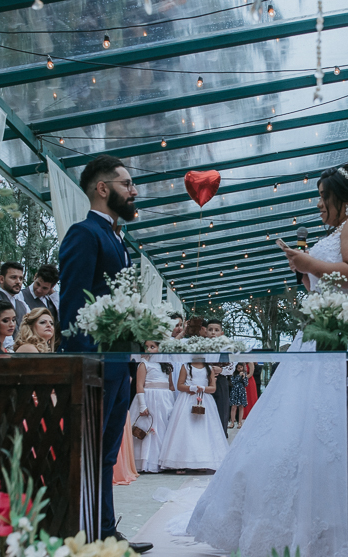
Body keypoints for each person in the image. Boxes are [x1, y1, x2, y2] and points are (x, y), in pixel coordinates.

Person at [187, 162, 348, 557]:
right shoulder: (346, 229)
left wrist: (306, 262)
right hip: (325, 337)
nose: (318, 205)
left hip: (346, 343)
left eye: (321, 197)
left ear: (340, 198)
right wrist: (306, 269)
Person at [57, 155, 150, 553]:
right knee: (90, 450)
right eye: (127, 183)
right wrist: (87, 364)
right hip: (95, 365)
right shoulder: (84, 234)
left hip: (120, 363)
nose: (133, 191)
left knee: (107, 452)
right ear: (103, 188)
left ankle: (105, 531)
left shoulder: (119, 238)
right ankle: (83, 534)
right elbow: (73, 306)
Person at [158, 358, 230, 471]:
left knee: (203, 431)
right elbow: (179, 385)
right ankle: (180, 462)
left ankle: (201, 461)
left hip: (204, 399)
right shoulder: (186, 367)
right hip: (187, 399)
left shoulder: (209, 368)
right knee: (185, 430)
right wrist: (191, 387)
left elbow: (213, 388)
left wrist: (203, 388)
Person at [127, 341, 177, 473]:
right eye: (146, 347)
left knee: (163, 429)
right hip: (149, 398)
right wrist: (142, 405)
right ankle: (146, 462)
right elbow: (139, 385)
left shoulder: (167, 366)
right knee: (148, 429)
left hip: (164, 400)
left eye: (152, 347)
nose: (148, 350)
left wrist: (172, 401)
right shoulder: (144, 364)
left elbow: (171, 385)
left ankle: (163, 461)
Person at [206, 319, 232, 432]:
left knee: (221, 409)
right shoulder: (201, 347)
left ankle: (221, 433)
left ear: (221, 333)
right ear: (206, 331)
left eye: (216, 330)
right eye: (210, 330)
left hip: (221, 381)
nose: (213, 332)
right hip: (204, 381)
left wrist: (220, 370)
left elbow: (232, 367)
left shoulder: (227, 348)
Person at [23, 264, 60, 329]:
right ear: (35, 276)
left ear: (52, 287)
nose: (39, 290)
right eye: (38, 284)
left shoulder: (52, 299)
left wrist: (53, 295)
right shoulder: (21, 296)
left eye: (44, 288)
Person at [0, 262, 31, 327]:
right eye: (13, 277)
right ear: (1, 279)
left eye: (20, 278)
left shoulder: (23, 305)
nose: (18, 282)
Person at [228, 363, 249, 429]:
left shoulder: (244, 374)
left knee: (241, 407)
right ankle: (232, 422)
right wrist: (239, 376)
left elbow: (246, 384)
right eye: (238, 368)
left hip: (241, 391)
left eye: (241, 367)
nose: (240, 369)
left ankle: (240, 422)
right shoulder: (233, 374)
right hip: (235, 391)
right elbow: (233, 382)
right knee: (233, 407)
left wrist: (244, 377)